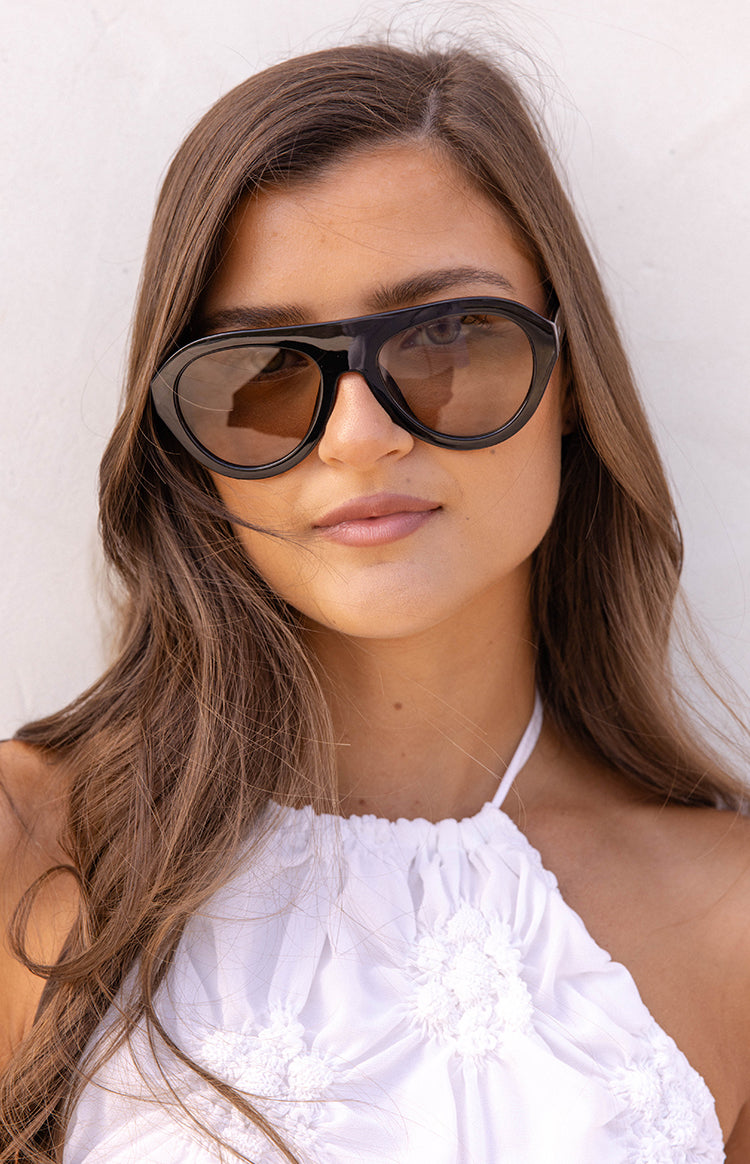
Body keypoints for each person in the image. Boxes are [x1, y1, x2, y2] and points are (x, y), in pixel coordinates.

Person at [1, 37, 749, 1164]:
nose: (359, 436)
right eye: (263, 368)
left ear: (570, 377)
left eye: (446, 335)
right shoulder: (32, 849)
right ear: (187, 439)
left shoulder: (731, 919)